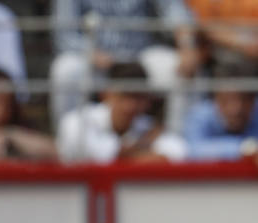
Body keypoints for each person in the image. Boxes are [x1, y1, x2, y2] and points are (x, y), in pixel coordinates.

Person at [49, 0, 199, 128]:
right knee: (66, 70)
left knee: (183, 68)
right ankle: (69, 145)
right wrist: (92, 53)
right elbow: (64, 35)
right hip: (95, 60)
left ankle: (177, 146)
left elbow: (174, 9)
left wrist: (186, 45)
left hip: (140, 56)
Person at [56, 60, 186, 162]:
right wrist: (143, 145)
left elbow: (178, 152)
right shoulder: (78, 121)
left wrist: (127, 155)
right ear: (106, 94)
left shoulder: (147, 125)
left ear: (147, 100)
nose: (130, 106)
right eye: (124, 96)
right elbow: (97, 157)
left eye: (138, 97)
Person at [183, 61, 258, 158]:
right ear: (215, 98)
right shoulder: (200, 115)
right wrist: (244, 148)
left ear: (253, 99)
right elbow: (192, 149)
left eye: (245, 99)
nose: (236, 109)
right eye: (227, 99)